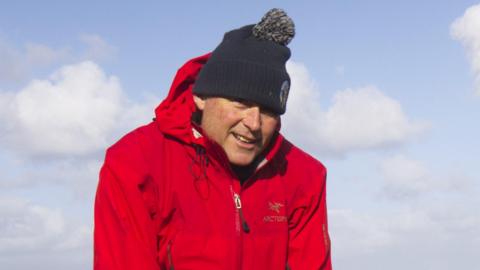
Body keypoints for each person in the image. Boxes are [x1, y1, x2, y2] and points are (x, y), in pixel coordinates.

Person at [94, 8, 332, 270]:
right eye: (240, 102)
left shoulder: (304, 176)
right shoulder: (134, 162)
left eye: (268, 110)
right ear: (201, 96)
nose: (254, 123)